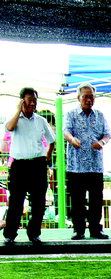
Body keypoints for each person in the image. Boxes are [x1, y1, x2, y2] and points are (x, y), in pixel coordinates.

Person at [3, 87, 55, 245]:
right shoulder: (14, 119)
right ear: (22, 101)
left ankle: (34, 233)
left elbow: (51, 140)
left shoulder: (41, 120)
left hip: (38, 164)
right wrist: (18, 110)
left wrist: (47, 156)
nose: (32, 103)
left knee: (39, 202)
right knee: (16, 202)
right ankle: (10, 234)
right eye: (29, 100)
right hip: (19, 165)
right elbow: (9, 128)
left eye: (35, 100)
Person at [63, 82, 111, 240]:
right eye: (85, 97)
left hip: (95, 166)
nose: (89, 100)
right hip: (76, 166)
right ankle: (79, 230)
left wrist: (102, 143)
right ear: (79, 98)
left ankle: (96, 230)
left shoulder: (101, 115)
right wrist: (72, 139)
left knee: (96, 200)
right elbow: (66, 131)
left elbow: (107, 134)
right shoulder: (71, 114)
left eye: (91, 97)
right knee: (77, 200)